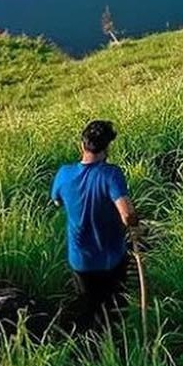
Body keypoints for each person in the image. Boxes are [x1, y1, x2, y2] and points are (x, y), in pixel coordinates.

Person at [50, 119, 135, 333]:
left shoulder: (64, 174)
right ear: (107, 149)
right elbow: (127, 214)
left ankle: (88, 342)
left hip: (80, 261)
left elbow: (57, 201)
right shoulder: (111, 174)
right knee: (114, 311)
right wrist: (135, 224)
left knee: (88, 307)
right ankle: (115, 343)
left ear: (82, 145)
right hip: (111, 260)